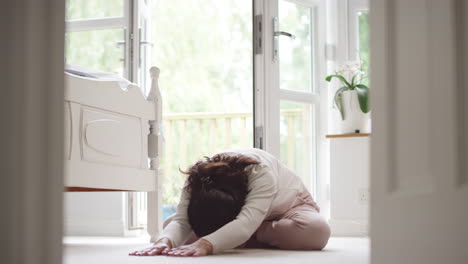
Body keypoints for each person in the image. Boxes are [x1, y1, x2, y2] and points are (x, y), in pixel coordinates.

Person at [130, 148, 330, 257]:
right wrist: (164, 242)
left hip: (288, 208)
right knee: (168, 227)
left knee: (317, 231)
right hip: (244, 219)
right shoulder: (196, 177)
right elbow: (182, 220)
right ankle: (235, 235)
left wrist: (207, 243)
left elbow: (244, 224)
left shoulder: (259, 172)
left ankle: (239, 236)